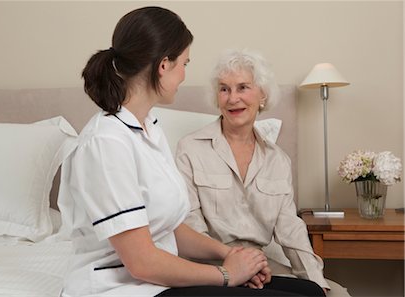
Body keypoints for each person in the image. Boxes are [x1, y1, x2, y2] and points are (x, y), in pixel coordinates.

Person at [58, 6, 324, 297]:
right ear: (163, 65)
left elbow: (170, 227)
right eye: (184, 63)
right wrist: (225, 274)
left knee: (309, 291)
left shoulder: (150, 130)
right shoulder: (106, 143)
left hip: (158, 281)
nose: (185, 75)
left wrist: (232, 256)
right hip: (123, 289)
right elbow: (141, 262)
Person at [175, 49, 331, 295]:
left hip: (260, 270)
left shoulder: (278, 160)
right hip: (212, 272)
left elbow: (290, 230)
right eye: (224, 89)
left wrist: (318, 282)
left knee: (312, 293)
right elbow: (189, 224)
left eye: (242, 87)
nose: (232, 98)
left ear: (262, 95)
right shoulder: (190, 148)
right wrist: (234, 267)